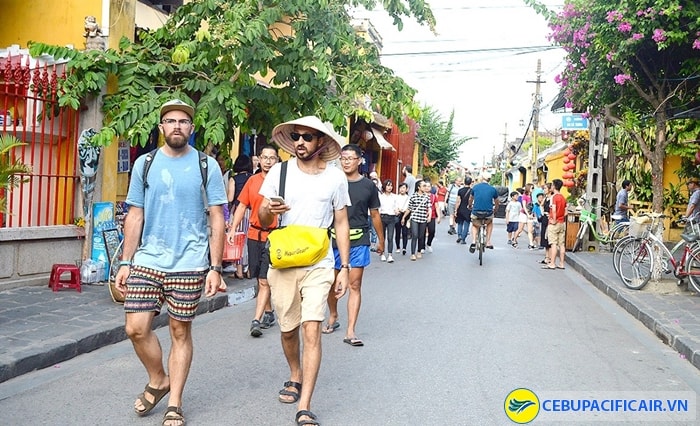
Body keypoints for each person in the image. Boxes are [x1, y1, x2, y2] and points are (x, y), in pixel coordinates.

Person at [115, 99, 227, 426]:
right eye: (171, 121)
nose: (177, 126)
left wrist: (215, 267)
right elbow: (135, 214)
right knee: (135, 328)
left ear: (191, 127)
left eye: (183, 121)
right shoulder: (145, 163)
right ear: (161, 127)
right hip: (148, 258)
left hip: (190, 261)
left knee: (180, 330)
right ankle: (159, 378)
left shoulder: (207, 165)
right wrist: (125, 262)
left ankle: (174, 402)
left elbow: (217, 217)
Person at [258, 115, 351, 426]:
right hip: (284, 260)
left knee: (312, 328)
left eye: (307, 137)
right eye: (296, 136)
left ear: (320, 142)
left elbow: (341, 223)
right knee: (288, 330)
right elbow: (264, 218)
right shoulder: (279, 172)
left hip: (319, 261)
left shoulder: (335, 178)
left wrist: (344, 267)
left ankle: (305, 404)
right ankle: (294, 372)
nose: (300, 142)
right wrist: (268, 209)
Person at [324, 144, 384, 347]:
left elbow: (374, 215)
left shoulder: (368, 186)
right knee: (332, 284)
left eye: (350, 158)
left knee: (354, 285)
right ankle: (333, 315)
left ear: (359, 160)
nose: (346, 161)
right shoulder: (333, 182)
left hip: (359, 240)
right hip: (333, 240)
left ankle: (350, 330)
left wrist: (381, 240)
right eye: (343, 158)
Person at [229, 144, 279, 337]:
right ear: (258, 160)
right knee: (258, 276)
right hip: (254, 234)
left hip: (275, 236)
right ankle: (269, 312)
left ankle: (256, 320)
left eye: (272, 158)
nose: (268, 161)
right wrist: (233, 229)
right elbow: (242, 206)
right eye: (264, 157)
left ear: (277, 160)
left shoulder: (281, 182)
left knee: (264, 279)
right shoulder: (252, 181)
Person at [227, 155, 254, 279]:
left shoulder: (234, 179)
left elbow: (230, 198)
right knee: (250, 240)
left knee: (238, 240)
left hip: (238, 210)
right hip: (251, 211)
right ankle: (249, 270)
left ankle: (239, 270)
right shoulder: (253, 178)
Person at [468, 172, 499, 252]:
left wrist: (470, 205)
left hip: (476, 212)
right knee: (490, 223)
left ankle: (473, 241)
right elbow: (497, 202)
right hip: (488, 213)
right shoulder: (493, 189)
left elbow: (470, 199)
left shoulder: (475, 187)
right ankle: (488, 242)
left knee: (475, 225)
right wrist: (495, 209)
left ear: (481, 179)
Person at [401, 179, 431, 261]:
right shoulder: (413, 196)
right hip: (414, 218)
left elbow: (429, 207)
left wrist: (429, 215)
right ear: (418, 187)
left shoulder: (427, 196)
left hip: (423, 219)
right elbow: (409, 208)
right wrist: (404, 217)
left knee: (421, 236)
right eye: (423, 186)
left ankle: (419, 251)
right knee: (415, 235)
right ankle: (413, 253)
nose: (425, 187)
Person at [543, 179, 567, 270]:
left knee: (553, 244)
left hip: (554, 223)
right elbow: (566, 212)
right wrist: (560, 218)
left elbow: (553, 209)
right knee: (561, 244)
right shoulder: (563, 197)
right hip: (562, 223)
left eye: (552, 185)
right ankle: (561, 263)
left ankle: (552, 263)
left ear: (554, 186)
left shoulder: (554, 197)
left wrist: (554, 219)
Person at [378, 179, 399, 262]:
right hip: (383, 217)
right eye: (388, 185)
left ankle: (390, 255)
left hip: (391, 217)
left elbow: (396, 206)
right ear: (384, 186)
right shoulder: (381, 197)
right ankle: (382, 253)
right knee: (382, 237)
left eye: (391, 185)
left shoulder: (394, 197)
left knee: (390, 237)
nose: (390, 187)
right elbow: (378, 208)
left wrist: (397, 210)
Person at [453, 176, 473, 244]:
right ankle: (463, 238)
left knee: (460, 223)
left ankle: (459, 235)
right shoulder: (472, 191)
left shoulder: (460, 190)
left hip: (461, 208)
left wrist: (456, 210)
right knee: (467, 224)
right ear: (470, 183)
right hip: (468, 209)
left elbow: (458, 201)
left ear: (464, 182)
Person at [394, 182, 410, 255]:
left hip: (406, 215)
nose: (402, 189)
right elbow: (395, 205)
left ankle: (404, 248)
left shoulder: (408, 198)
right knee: (397, 232)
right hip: (398, 214)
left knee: (405, 232)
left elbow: (409, 207)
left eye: (403, 188)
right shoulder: (396, 197)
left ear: (406, 189)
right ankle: (398, 247)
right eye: (400, 188)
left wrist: (404, 214)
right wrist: (397, 210)